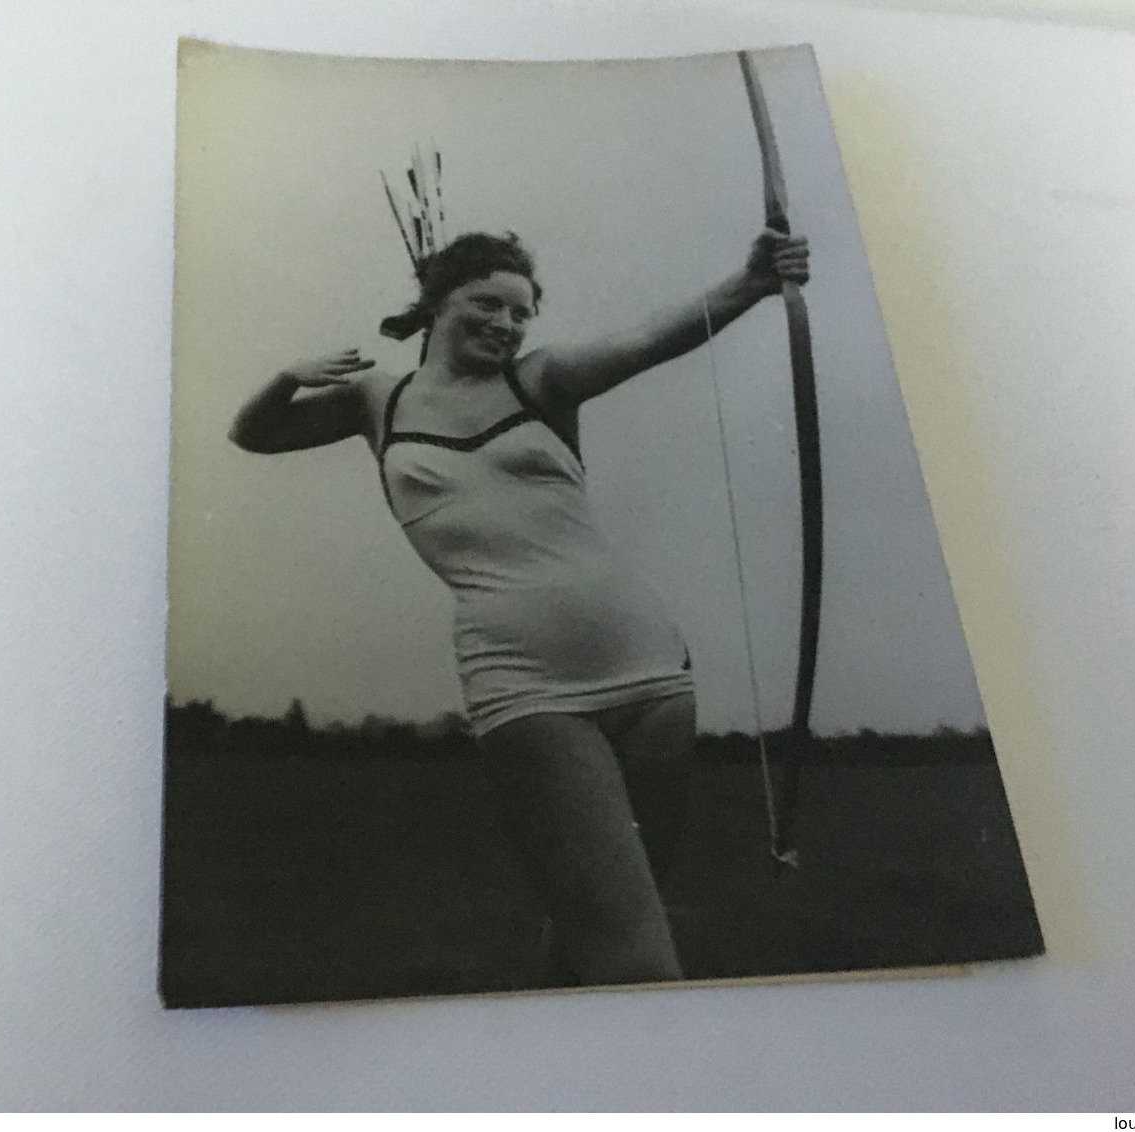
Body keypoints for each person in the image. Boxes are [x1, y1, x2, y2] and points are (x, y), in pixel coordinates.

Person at [229, 228, 810, 986]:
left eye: (521, 313)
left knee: (603, 927)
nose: (506, 325)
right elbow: (255, 435)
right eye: (487, 304)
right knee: (633, 952)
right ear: (436, 302)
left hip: (655, 669)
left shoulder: (541, 380)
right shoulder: (380, 401)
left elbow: (649, 340)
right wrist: (285, 378)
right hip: (527, 686)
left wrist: (750, 284)